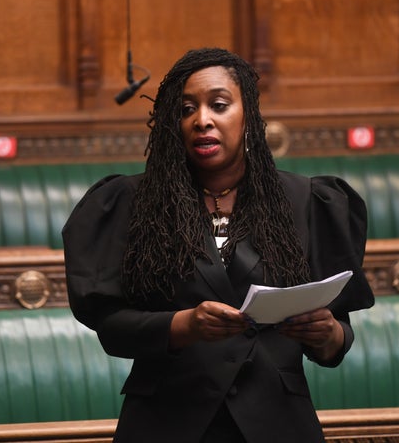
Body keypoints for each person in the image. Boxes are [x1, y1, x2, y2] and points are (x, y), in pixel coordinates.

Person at [63, 47, 374, 443]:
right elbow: (111, 328)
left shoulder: (307, 200)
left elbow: (338, 338)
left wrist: (328, 335)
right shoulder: (130, 202)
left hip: (276, 425)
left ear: (249, 115)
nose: (202, 120)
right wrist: (184, 325)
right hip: (166, 423)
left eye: (219, 105)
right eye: (186, 109)